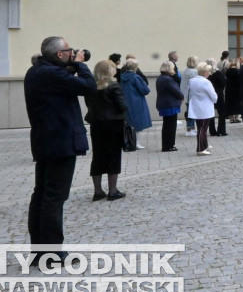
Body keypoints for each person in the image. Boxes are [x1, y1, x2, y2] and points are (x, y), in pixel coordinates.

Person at [25, 37, 96, 264]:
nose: (71, 53)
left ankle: (39, 251)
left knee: (42, 195)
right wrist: (81, 63)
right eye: (68, 51)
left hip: (46, 140)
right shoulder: (51, 74)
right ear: (59, 54)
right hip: (60, 142)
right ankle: (52, 253)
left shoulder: (36, 71)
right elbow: (88, 87)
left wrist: (71, 64)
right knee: (54, 197)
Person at [84, 59, 128, 202]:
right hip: (113, 124)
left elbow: (88, 104)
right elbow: (121, 106)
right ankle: (112, 190)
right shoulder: (114, 86)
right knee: (113, 156)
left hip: (96, 124)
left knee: (97, 156)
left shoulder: (91, 87)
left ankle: (98, 191)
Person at [119, 58, 151, 149]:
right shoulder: (136, 77)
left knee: (128, 122)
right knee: (137, 123)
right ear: (135, 67)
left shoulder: (122, 76)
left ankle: (127, 141)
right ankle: (135, 142)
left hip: (125, 101)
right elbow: (145, 90)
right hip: (137, 102)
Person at [187, 62, 218, 154]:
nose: (210, 73)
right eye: (208, 71)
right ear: (204, 73)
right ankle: (200, 148)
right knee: (203, 129)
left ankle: (205, 145)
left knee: (201, 127)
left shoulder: (192, 80)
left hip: (196, 106)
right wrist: (215, 98)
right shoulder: (206, 82)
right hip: (205, 107)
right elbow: (213, 96)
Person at [155, 61, 183, 152]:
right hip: (170, 104)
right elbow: (176, 90)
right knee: (171, 126)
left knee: (167, 125)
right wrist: (181, 96)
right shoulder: (168, 79)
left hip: (165, 103)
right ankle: (169, 145)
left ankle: (167, 145)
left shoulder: (161, 78)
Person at [207, 57, 228, 136]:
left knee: (211, 113)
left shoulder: (206, 73)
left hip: (209, 94)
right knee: (222, 112)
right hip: (218, 94)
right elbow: (223, 82)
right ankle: (221, 130)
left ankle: (212, 131)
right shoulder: (218, 73)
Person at [180, 56, 199, 136]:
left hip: (186, 93)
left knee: (189, 111)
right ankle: (190, 128)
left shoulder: (185, 71)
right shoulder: (194, 72)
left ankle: (190, 128)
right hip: (192, 94)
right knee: (192, 112)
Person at [225, 57, 241, 125]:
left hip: (229, 89)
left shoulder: (227, 71)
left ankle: (231, 118)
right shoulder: (237, 71)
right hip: (237, 89)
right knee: (237, 103)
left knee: (230, 103)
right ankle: (236, 118)